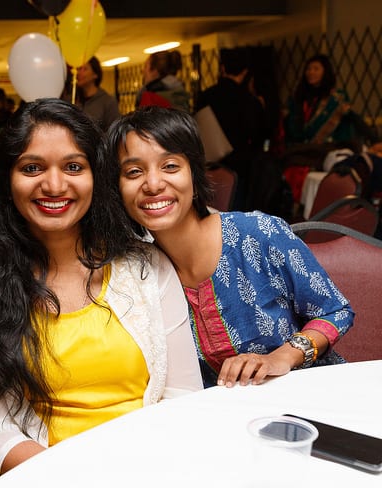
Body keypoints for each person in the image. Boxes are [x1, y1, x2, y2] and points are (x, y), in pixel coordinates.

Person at [0, 98, 203, 476]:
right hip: (47, 476)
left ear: (96, 176)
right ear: (7, 181)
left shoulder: (146, 269)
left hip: (153, 466)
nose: (54, 185)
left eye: (73, 166)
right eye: (32, 167)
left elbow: (183, 399)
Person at [107, 106, 354, 389]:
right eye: (134, 172)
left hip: (311, 393)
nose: (153, 184)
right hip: (222, 412)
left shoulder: (258, 233)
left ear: (194, 176)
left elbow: (336, 311)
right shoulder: (139, 273)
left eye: (170, 166)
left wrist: (282, 357)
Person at [195, 47, 268, 210]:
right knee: (236, 207)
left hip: (209, 163)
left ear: (222, 68)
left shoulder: (205, 96)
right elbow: (259, 135)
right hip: (240, 165)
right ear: (245, 72)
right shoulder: (250, 100)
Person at [283, 54, 357, 147]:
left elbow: (351, 120)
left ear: (325, 72)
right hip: (298, 147)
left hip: (327, 148)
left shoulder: (336, 98)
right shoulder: (297, 97)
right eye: (308, 69)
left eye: (316, 69)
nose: (311, 72)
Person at [76, 56, 120, 132]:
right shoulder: (72, 98)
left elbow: (114, 131)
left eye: (85, 69)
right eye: (79, 69)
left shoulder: (108, 102)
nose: (79, 73)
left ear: (95, 74)